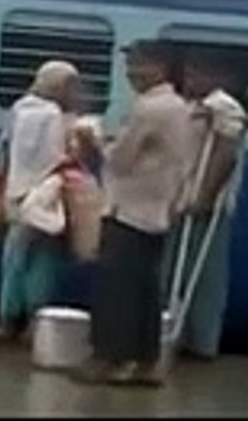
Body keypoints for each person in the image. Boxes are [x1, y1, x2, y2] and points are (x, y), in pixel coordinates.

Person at [80, 40, 191, 387]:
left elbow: (120, 160)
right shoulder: (177, 106)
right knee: (145, 291)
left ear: (159, 67)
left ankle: (111, 359)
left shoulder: (149, 108)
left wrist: (95, 140)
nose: (131, 73)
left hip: (129, 208)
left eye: (137, 65)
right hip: (157, 209)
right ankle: (145, 363)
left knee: (117, 289)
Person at [165, 50, 247, 361]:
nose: (190, 80)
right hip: (181, 199)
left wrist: (205, 195)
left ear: (217, 78)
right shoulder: (193, 106)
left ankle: (201, 342)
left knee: (204, 275)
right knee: (176, 271)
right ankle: (177, 333)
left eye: (197, 75)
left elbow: (226, 152)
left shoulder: (224, 107)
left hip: (204, 205)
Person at [0, 60, 81, 342]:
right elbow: (57, 158)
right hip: (44, 197)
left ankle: (6, 320)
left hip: (16, 194)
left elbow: (2, 149)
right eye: (71, 85)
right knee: (43, 260)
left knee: (14, 259)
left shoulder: (20, 108)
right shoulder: (56, 115)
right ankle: (34, 321)